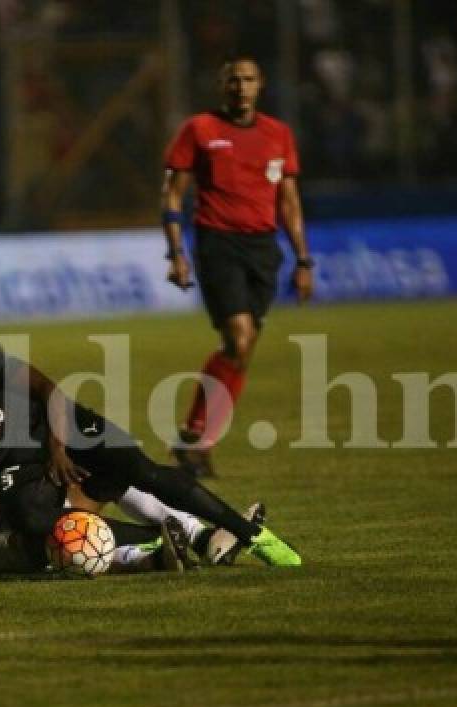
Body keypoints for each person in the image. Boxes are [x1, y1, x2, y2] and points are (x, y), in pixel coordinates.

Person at [0, 306, 301, 581]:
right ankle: (166, 543)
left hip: (59, 426)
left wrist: (59, 449)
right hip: (20, 468)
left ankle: (251, 536)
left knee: (141, 470)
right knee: (30, 520)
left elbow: (48, 391)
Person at [161, 55, 314, 477]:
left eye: (248, 79)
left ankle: (197, 442)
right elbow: (173, 195)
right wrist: (175, 252)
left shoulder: (278, 135)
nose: (240, 87)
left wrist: (303, 258)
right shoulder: (200, 130)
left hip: (264, 250)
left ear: (260, 84)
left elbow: (289, 202)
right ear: (221, 85)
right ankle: (194, 437)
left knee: (241, 354)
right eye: (233, 80)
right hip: (218, 244)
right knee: (239, 339)